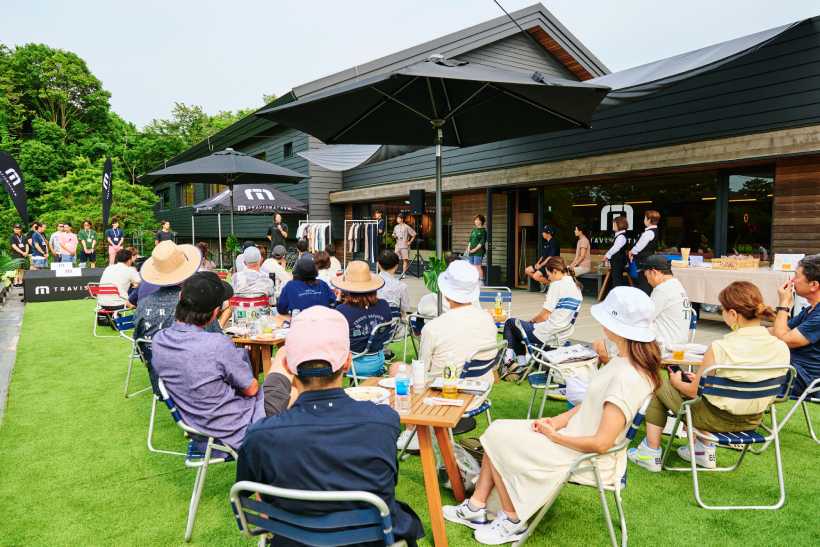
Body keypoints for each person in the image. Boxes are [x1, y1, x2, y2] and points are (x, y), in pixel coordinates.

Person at [443, 286, 660, 544]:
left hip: (585, 457)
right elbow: (591, 405)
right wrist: (556, 421)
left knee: (499, 438)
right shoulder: (626, 363)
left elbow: (601, 444)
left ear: (617, 328)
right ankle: (477, 506)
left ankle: (512, 519)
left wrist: (554, 435)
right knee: (497, 429)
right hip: (573, 440)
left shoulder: (626, 376)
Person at [236, 306, 425, 547]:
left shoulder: (261, 435)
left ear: (287, 365)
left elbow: (247, 492)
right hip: (368, 540)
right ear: (347, 362)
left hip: (291, 541)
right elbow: (389, 481)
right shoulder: (383, 422)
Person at [629, 281, 789, 472]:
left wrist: (677, 382)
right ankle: (702, 450)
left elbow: (693, 392)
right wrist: (701, 380)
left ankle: (651, 452)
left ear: (733, 314)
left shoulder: (720, 347)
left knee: (659, 382)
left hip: (713, 420)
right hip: (753, 420)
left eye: (722, 310)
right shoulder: (781, 347)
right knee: (692, 390)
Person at [152, 272, 263, 450]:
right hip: (236, 431)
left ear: (180, 297)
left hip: (199, 432)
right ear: (215, 313)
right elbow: (251, 389)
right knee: (282, 377)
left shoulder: (159, 341)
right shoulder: (217, 344)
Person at [416, 258, 497, 393]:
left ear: (446, 293)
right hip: (480, 389)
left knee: (397, 368)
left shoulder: (433, 328)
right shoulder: (488, 319)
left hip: (442, 391)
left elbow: (422, 371)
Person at [595, 255, 691, 362]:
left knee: (602, 345)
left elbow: (642, 319)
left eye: (646, 276)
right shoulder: (677, 285)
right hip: (678, 343)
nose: (648, 281)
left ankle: (618, 369)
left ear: (653, 272)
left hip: (666, 346)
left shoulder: (662, 289)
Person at [134, 241, 228, 340]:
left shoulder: (142, 304)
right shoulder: (194, 303)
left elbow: (138, 339)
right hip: (190, 349)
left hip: (153, 350)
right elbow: (216, 336)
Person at [503, 257, 582, 369]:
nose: (548, 278)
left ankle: (510, 361)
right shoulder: (577, 287)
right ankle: (521, 363)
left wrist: (531, 322)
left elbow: (544, 316)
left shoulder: (557, 285)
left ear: (555, 271)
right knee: (520, 328)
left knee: (511, 323)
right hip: (562, 336)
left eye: (548, 275)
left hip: (548, 335)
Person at [771, 254, 820, 397]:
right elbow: (778, 330)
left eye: (796, 276)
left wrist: (784, 305)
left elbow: (783, 339)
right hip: (792, 370)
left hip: (806, 379)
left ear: (814, 285)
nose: (791, 281)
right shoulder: (811, 310)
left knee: (749, 370)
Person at [332, 260, 390, 377]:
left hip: (353, 364)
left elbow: (334, 341)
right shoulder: (384, 304)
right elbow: (387, 334)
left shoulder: (342, 310)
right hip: (379, 361)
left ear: (346, 288)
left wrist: (338, 299)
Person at [629, 210, 661, 295]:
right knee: (647, 281)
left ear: (649, 220)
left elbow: (639, 247)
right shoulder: (655, 231)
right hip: (648, 259)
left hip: (643, 260)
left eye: (645, 218)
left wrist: (631, 252)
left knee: (643, 281)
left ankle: (644, 299)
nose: (644, 220)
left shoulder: (649, 232)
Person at [377, 249, 410, 315]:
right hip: (393, 319)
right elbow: (405, 308)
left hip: (373, 319)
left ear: (378, 264)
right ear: (396, 266)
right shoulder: (401, 286)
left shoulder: (370, 283)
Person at [604, 216, 629, 289]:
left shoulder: (621, 237)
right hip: (617, 262)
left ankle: (618, 294)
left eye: (614, 224)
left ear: (620, 224)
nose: (613, 225)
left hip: (618, 262)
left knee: (617, 281)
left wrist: (607, 255)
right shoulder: (619, 236)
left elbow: (615, 248)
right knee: (616, 280)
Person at [466, 214, 487, 282]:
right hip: (471, 251)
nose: (476, 221)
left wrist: (474, 250)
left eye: (478, 220)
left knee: (477, 266)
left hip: (478, 252)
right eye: (475, 220)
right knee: (471, 266)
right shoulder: (474, 230)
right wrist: (468, 248)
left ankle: (481, 281)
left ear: (481, 221)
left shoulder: (483, 231)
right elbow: (470, 240)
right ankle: (473, 280)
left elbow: (481, 243)